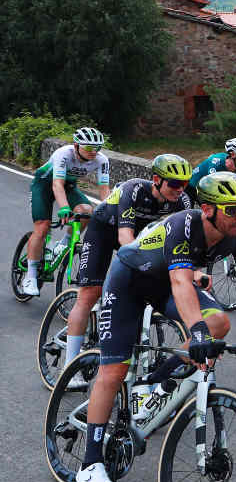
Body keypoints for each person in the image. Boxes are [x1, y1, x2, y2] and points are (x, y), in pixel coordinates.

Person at [74, 172, 236, 482]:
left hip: (168, 284)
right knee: (115, 368)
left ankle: (153, 384)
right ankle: (90, 463)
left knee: (219, 323)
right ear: (208, 209)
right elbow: (180, 284)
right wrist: (197, 332)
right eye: (232, 209)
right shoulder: (183, 225)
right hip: (130, 280)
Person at [64, 155, 194, 385]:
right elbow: (125, 237)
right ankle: (70, 366)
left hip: (140, 239)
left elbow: (181, 241)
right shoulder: (133, 190)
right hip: (105, 232)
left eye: (184, 184)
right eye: (174, 183)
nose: (180, 189)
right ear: (156, 179)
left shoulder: (181, 202)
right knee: (89, 294)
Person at [21, 127, 111, 297]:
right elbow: (57, 185)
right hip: (44, 185)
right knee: (43, 227)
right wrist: (64, 208)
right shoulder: (64, 153)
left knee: (86, 211)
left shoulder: (102, 160)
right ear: (76, 145)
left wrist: (110, 211)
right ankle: (30, 275)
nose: (94, 152)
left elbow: (104, 190)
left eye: (98, 148)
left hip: (68, 186)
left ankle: (64, 242)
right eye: (89, 147)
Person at [187, 137, 236, 203]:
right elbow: (212, 188)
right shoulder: (216, 163)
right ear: (233, 154)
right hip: (191, 187)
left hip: (206, 190)